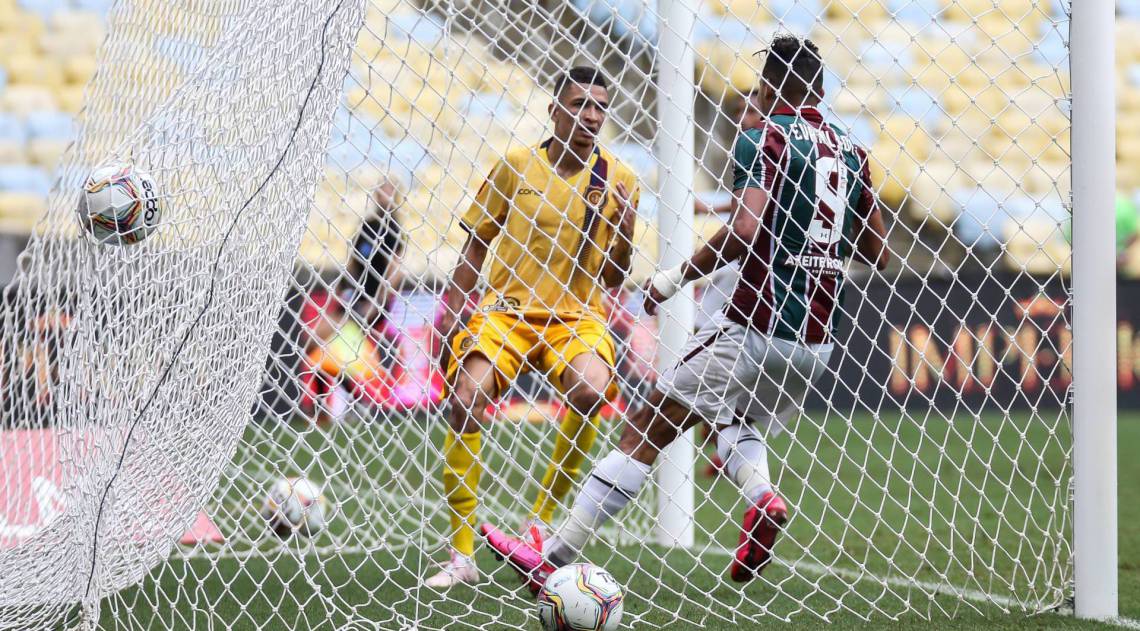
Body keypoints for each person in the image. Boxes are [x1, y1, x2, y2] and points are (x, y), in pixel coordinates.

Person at [481, 34, 890, 591]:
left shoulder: (763, 136)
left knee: (642, 431)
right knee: (732, 418)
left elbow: (745, 230)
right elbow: (875, 252)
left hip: (753, 326)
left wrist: (675, 278)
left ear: (769, 87)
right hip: (816, 346)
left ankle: (551, 558)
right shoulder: (853, 150)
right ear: (821, 86)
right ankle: (763, 499)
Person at [427, 65, 641, 588]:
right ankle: (462, 556)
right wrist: (455, 308)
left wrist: (626, 237)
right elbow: (477, 242)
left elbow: (614, 277)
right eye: (578, 103)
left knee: (591, 390)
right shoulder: (514, 166)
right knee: (466, 397)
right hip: (505, 312)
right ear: (554, 110)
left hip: (578, 317)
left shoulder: (620, 178)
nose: (590, 114)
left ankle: (540, 524)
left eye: (599, 106)